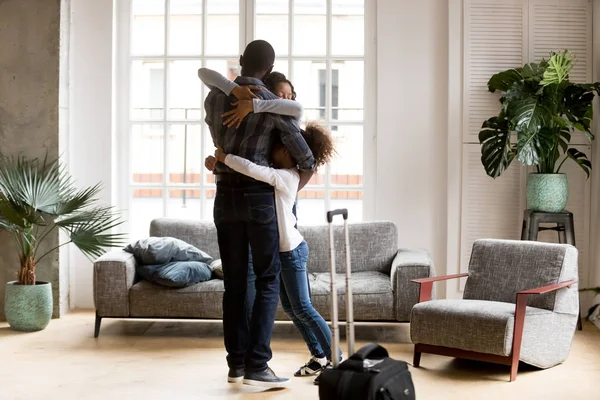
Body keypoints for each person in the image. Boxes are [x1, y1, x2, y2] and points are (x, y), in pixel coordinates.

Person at [203, 39, 315, 388]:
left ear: (240, 61)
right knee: (267, 281)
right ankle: (257, 365)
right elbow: (305, 156)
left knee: (235, 284)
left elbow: (217, 136)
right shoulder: (271, 106)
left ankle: (235, 363)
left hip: (224, 197)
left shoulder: (215, 97)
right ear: (269, 69)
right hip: (258, 199)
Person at [206, 122, 339, 384]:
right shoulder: (276, 172)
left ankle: (338, 359)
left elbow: (251, 168)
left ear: (289, 153)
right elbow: (252, 171)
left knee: (303, 307)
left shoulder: (287, 176)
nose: (273, 151)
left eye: (278, 149)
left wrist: (224, 157)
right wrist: (218, 165)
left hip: (292, 251)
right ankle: (319, 357)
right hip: (279, 252)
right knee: (291, 308)